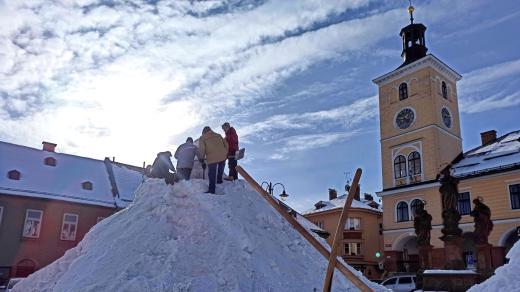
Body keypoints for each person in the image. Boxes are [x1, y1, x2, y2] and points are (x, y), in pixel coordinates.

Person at [198, 126, 228, 194]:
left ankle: (212, 190)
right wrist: (226, 151)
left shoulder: (202, 138)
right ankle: (219, 180)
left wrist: (201, 158)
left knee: (212, 173)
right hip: (222, 154)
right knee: (221, 166)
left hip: (212, 157)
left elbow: (202, 149)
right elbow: (226, 143)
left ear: (203, 132)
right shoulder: (218, 135)